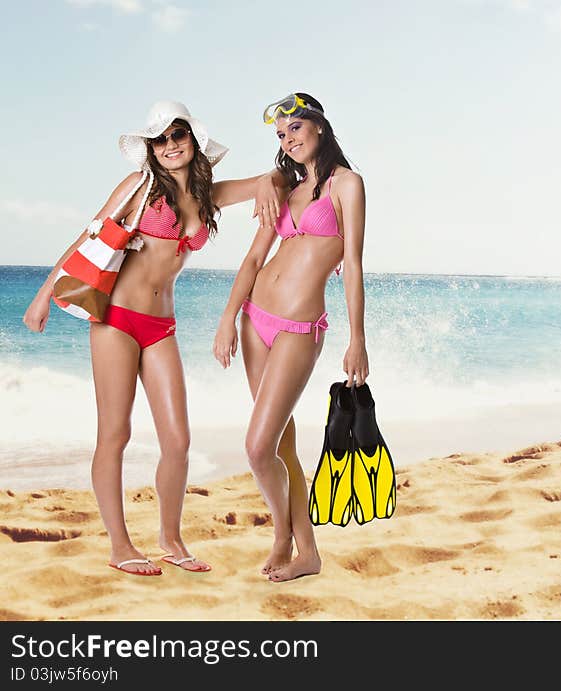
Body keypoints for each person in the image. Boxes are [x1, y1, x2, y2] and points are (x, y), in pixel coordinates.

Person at [22, 101, 283, 576]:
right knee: (115, 433)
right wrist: (43, 296)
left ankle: (170, 538)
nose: (169, 146)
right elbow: (87, 238)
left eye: (177, 135)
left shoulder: (208, 197)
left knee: (178, 440)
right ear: (150, 148)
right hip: (117, 320)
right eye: (159, 139)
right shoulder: (139, 188)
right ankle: (120, 546)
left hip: (162, 327)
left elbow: (273, 178)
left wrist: (270, 184)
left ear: (193, 141)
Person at [212, 92, 368, 582]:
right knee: (279, 446)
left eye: (295, 128)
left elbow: (354, 267)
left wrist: (357, 338)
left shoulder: (348, 184)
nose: (288, 139)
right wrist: (227, 317)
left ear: (319, 126)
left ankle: (283, 534)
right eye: (281, 135)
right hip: (255, 319)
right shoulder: (286, 187)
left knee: (258, 447)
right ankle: (308, 553)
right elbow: (256, 258)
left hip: (300, 326)